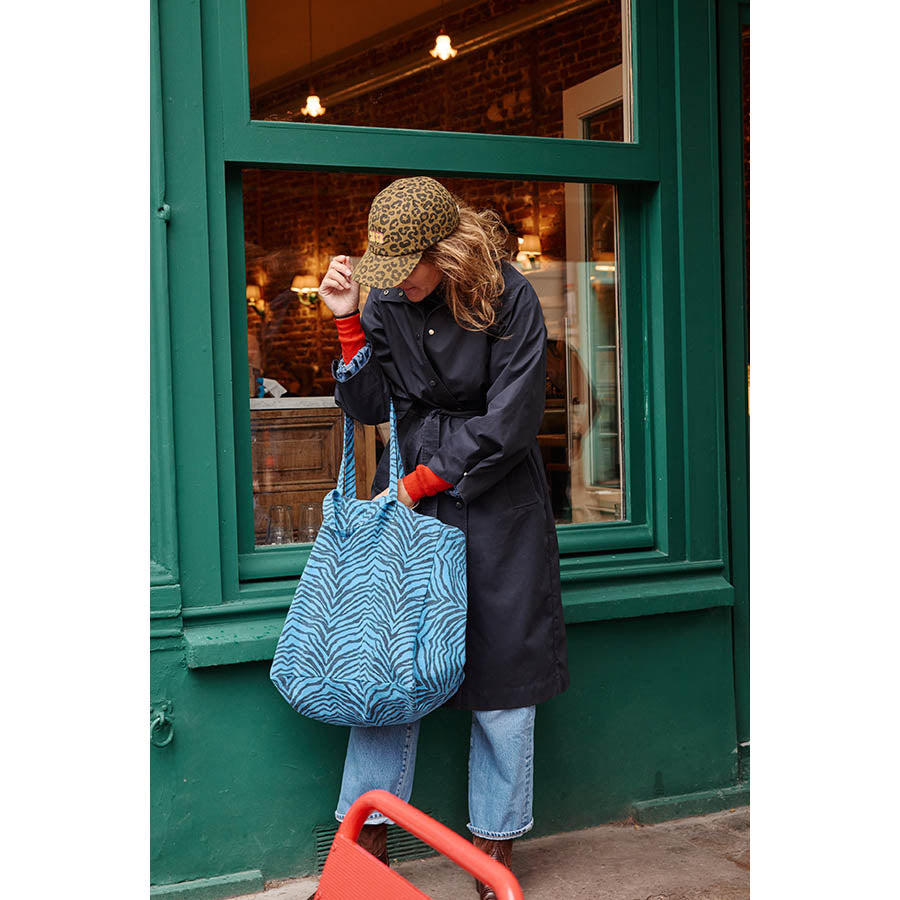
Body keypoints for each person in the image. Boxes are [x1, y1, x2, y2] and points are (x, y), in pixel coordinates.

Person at [312, 176, 570, 900]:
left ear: (446, 254)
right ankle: (365, 842)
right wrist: (348, 319)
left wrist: (425, 477)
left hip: (498, 507)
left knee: (503, 680)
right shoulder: (388, 297)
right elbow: (369, 405)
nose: (396, 285)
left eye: (407, 270)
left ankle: (494, 848)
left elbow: (513, 421)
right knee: (389, 671)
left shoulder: (510, 296)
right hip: (414, 507)